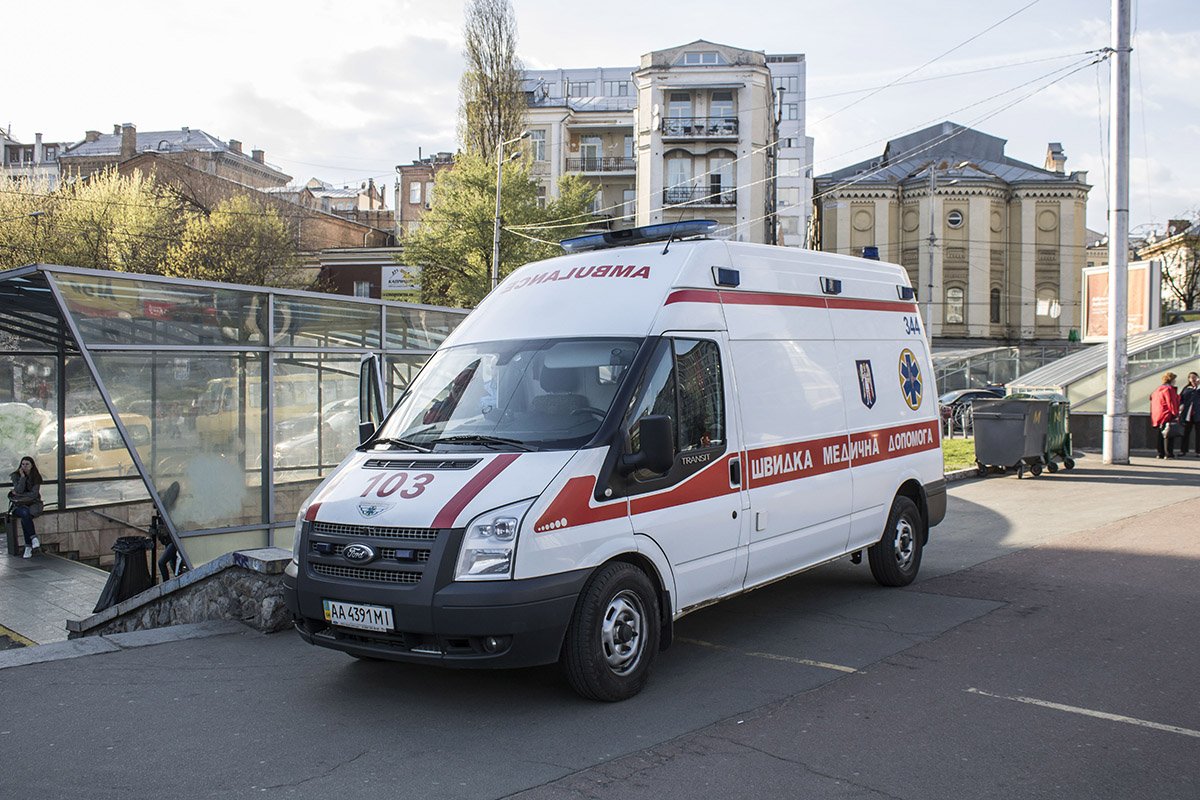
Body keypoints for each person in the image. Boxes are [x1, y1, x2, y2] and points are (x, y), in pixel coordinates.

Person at [8, 456, 44, 558]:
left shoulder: (36, 477)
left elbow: (34, 495)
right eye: (23, 464)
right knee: (25, 513)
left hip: (33, 504)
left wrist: (20, 495)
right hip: (18, 505)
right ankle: (33, 538)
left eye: (27, 464)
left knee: (26, 517)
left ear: (32, 465)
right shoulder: (16, 476)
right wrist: (22, 477)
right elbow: (18, 490)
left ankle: (28, 546)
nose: (24, 466)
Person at [1150, 372, 1182, 459]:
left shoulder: (1158, 390)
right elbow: (1171, 402)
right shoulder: (1169, 389)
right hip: (1167, 414)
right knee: (1169, 434)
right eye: (1174, 379)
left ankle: (1160, 453)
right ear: (1171, 380)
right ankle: (1168, 453)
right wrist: (1175, 413)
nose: (1175, 381)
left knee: (1161, 434)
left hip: (1158, 415)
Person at [1180, 371, 1200, 456]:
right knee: (1185, 432)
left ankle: (1198, 451)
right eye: (1191, 377)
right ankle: (1183, 450)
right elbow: (1181, 398)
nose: (1193, 379)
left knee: (1198, 433)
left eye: (1195, 377)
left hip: (1198, 414)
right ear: (1189, 379)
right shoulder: (1186, 388)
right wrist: (1181, 405)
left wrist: (1198, 386)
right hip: (1188, 414)